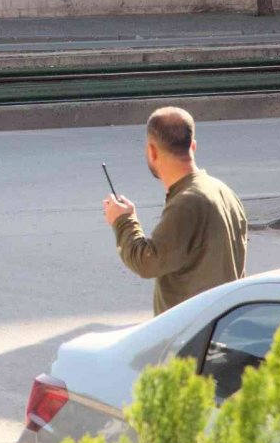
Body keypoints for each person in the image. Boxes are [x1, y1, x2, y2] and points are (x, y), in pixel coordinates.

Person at [102, 106, 247, 315]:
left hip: (191, 335)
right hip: (221, 326)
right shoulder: (224, 191)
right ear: (193, 146)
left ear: (152, 151)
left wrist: (123, 221)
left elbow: (147, 262)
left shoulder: (186, 203)